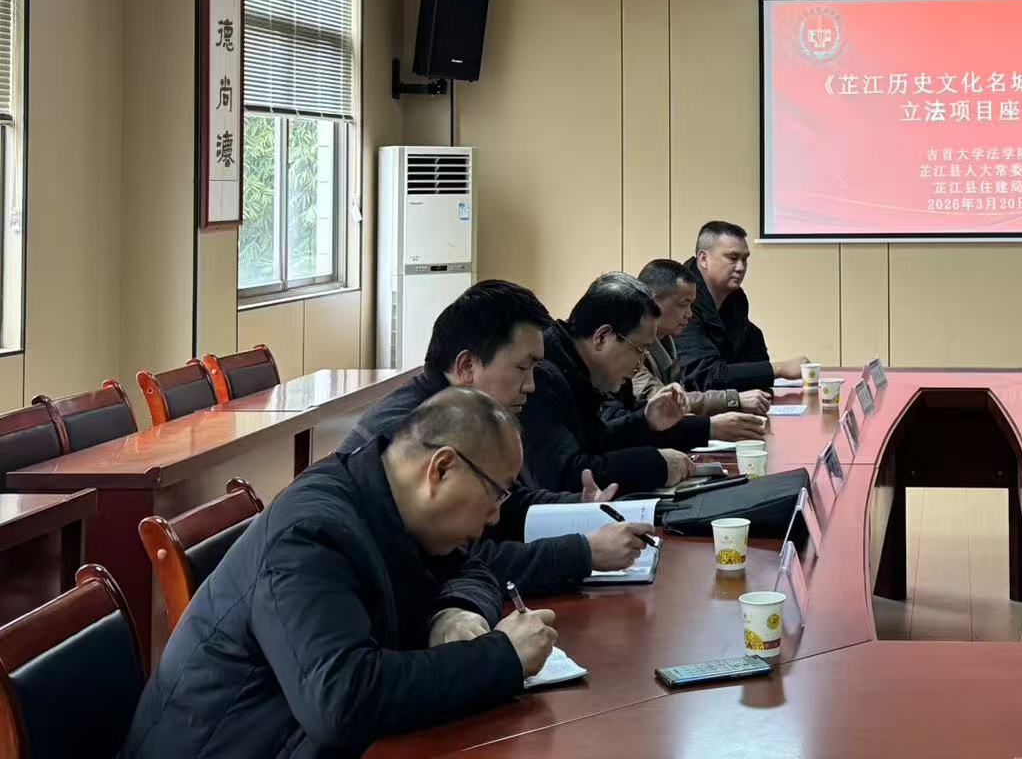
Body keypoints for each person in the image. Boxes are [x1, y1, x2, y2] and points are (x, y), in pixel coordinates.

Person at [122, 389, 559, 759]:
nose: (495, 516)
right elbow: (341, 701)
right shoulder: (311, 535)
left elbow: (472, 567)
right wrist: (502, 657)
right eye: (496, 493)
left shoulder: (387, 500)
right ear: (441, 469)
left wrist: (455, 610)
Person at [339, 280, 651, 593]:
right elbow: (459, 564)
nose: (531, 385)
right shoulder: (411, 435)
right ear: (467, 366)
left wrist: (579, 507)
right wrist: (583, 553)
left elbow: (510, 504)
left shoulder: (468, 417)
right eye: (522, 368)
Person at [523, 271, 696, 493]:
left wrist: (646, 422)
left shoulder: (577, 366)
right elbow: (564, 475)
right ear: (602, 337)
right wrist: (656, 465)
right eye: (639, 349)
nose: (639, 365)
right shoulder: (542, 375)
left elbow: (595, 442)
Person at [602, 258, 768, 444]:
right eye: (683, 304)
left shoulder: (668, 340)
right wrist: (727, 404)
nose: (689, 314)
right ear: (651, 302)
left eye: (692, 305)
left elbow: (675, 402)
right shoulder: (626, 346)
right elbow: (661, 401)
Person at [673, 220, 809, 392]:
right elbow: (704, 376)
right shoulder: (682, 301)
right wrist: (780, 369)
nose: (741, 267)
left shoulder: (735, 298)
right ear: (704, 259)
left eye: (744, 259)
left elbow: (753, 361)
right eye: (732, 258)